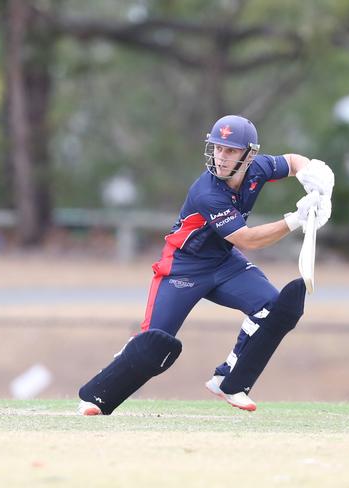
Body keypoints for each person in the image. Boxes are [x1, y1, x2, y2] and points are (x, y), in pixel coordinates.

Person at [78, 115, 334, 415]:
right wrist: (295, 220)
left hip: (225, 262)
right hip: (183, 266)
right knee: (152, 344)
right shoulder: (208, 192)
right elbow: (247, 240)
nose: (221, 157)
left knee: (274, 309)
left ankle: (229, 379)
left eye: (230, 150)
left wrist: (310, 173)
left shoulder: (259, 168)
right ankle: (97, 396)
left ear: (249, 155)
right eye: (217, 148)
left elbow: (291, 161)